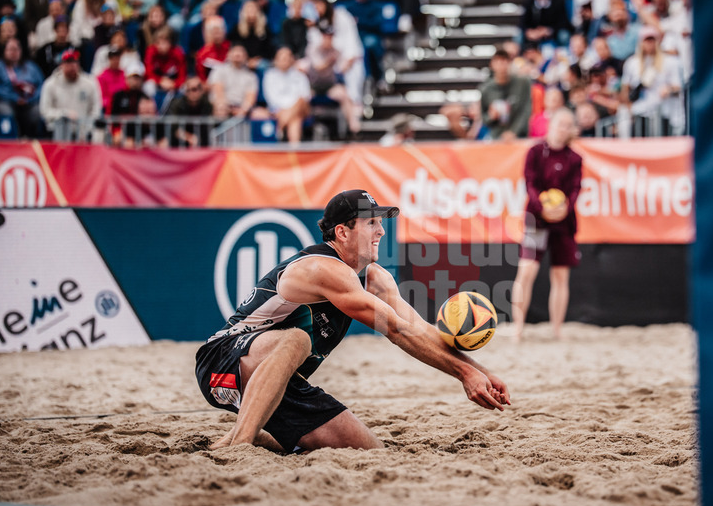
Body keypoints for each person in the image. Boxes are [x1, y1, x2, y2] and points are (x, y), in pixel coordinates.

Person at [195, 189, 511, 452]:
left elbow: (418, 329)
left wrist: (480, 372)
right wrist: (462, 375)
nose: (382, 231)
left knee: (370, 450)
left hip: (281, 384)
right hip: (222, 362)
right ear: (343, 232)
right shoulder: (322, 268)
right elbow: (396, 330)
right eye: (371, 223)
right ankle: (240, 442)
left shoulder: (375, 278)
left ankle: (244, 440)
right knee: (297, 339)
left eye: (381, 222)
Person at [510, 109, 583, 342]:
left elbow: (575, 190)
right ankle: (518, 328)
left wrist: (564, 209)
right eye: (560, 123)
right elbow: (530, 184)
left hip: (564, 223)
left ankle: (556, 330)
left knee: (561, 276)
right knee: (526, 271)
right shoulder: (534, 152)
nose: (563, 128)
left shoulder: (575, 158)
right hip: (537, 219)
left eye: (567, 125)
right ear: (551, 125)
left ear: (571, 129)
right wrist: (544, 207)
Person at [39, 47, 102, 138]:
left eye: (75, 62)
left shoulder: (90, 83)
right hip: (58, 133)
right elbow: (45, 111)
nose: (72, 65)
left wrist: (86, 126)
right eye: (68, 62)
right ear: (61, 64)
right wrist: (64, 114)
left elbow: (96, 110)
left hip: (83, 133)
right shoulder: (50, 84)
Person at [0, 37, 43, 137]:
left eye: (16, 49)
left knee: (37, 112)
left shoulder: (31, 67)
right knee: (6, 112)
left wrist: (31, 99)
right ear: (4, 51)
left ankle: (32, 139)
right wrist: (14, 98)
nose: (13, 52)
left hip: (29, 101)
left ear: (21, 51)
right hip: (5, 101)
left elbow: (42, 86)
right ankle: (12, 140)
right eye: (10, 49)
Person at [479, 48, 533, 141]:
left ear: (509, 63)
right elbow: (483, 118)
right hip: (497, 136)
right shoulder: (486, 89)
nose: (501, 65)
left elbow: (526, 109)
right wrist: (491, 116)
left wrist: (513, 132)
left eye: (504, 61)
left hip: (519, 136)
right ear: (492, 64)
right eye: (498, 61)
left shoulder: (523, 82)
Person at [261, 46, 311, 143]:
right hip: (280, 110)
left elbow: (306, 97)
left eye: (288, 57)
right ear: (276, 60)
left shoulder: (300, 75)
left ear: (292, 59)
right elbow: (271, 99)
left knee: (301, 101)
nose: (286, 60)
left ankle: (279, 127)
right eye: (283, 58)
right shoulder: (269, 75)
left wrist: (288, 110)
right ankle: (294, 150)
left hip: (299, 108)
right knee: (295, 120)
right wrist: (287, 110)